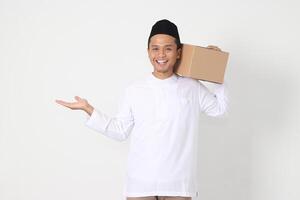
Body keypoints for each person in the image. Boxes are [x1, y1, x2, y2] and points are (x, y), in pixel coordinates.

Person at [55, 19, 228, 200]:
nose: (161, 54)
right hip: (140, 184)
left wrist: (216, 69)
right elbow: (120, 130)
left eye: (168, 48)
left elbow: (220, 109)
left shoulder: (192, 87)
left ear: (178, 53)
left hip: (179, 184)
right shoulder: (134, 89)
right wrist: (88, 109)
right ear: (148, 52)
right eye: (155, 48)